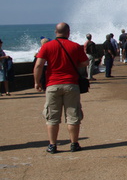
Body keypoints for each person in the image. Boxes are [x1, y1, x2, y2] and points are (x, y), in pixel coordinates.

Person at [33, 23, 89, 153]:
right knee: (73, 116)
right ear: (68, 32)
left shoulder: (47, 46)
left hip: (52, 85)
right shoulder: (75, 46)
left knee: (52, 117)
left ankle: (52, 145)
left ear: (55, 32)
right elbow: (85, 62)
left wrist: (37, 82)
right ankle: (74, 144)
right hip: (71, 84)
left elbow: (38, 65)